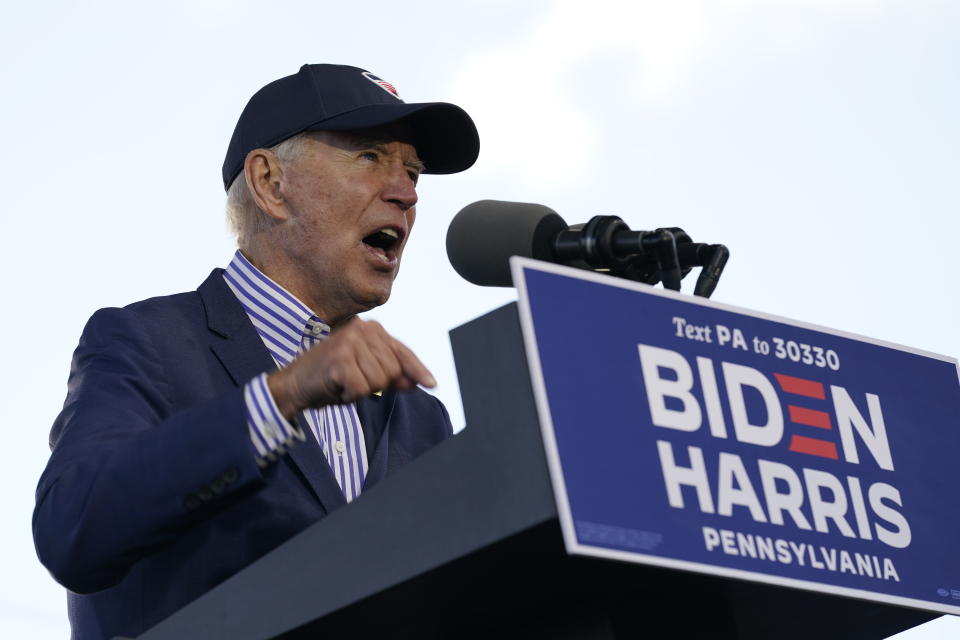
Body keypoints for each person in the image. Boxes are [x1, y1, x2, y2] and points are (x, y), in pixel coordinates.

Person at [32, 63, 479, 640]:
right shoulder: (149, 341)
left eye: (413, 172)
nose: (406, 193)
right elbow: (74, 532)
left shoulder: (420, 416)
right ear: (270, 182)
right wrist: (281, 398)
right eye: (370, 157)